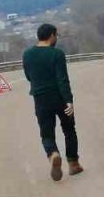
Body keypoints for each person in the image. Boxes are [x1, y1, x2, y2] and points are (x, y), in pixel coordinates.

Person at [22, 24, 82, 181]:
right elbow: (62, 79)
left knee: (46, 133)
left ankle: (53, 154)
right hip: (59, 98)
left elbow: (28, 76)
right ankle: (73, 164)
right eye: (56, 35)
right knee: (69, 130)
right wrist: (69, 100)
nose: (56, 38)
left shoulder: (27, 54)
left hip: (40, 98)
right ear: (51, 35)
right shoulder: (57, 54)